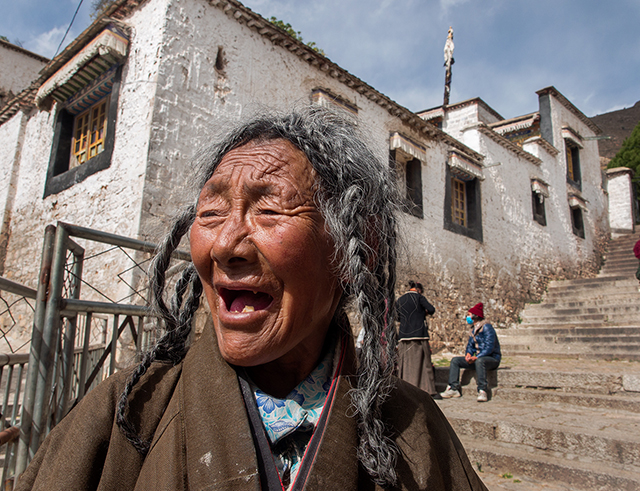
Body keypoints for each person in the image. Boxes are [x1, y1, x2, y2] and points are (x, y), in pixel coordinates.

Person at [16, 107, 487, 490]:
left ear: (356, 248)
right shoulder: (125, 414)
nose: (224, 245)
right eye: (212, 212)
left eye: (268, 209)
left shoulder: (414, 428)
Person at [441, 302, 501, 403]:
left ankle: (482, 390)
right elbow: (470, 346)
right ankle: (453, 388)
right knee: (455, 361)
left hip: (491, 359)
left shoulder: (486, 327)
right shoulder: (473, 330)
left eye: (469, 315)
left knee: (480, 361)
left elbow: (489, 347)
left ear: (475, 316)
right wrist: (468, 354)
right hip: (478, 358)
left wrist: (477, 357)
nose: (467, 317)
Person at [396, 281, 440, 399]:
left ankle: (405, 388)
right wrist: (421, 313)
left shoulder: (400, 300)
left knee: (405, 364)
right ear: (419, 290)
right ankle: (428, 389)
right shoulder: (419, 298)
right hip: (419, 335)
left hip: (404, 336)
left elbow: (396, 316)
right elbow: (431, 309)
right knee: (424, 363)